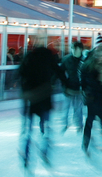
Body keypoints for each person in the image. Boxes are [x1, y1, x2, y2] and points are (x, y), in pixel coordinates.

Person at [19, 30, 67, 169]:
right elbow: (22, 74)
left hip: (38, 98)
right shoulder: (36, 56)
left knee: (40, 128)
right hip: (37, 98)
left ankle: (35, 153)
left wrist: (66, 83)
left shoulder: (36, 56)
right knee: (36, 128)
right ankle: (31, 154)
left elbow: (21, 74)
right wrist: (66, 83)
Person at [60, 41, 84, 134]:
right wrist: (64, 85)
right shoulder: (67, 59)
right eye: (72, 48)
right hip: (69, 88)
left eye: (75, 49)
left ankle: (79, 125)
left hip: (79, 89)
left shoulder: (84, 60)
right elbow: (60, 73)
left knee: (78, 109)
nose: (73, 51)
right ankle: (64, 124)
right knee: (66, 108)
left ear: (80, 49)